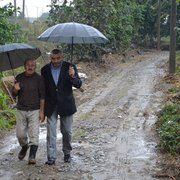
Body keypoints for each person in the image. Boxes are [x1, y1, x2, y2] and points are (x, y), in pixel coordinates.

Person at [41, 49, 82, 165]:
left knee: (67, 131)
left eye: (58, 58)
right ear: (50, 58)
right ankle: (51, 157)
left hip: (66, 104)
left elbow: (78, 84)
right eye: (53, 59)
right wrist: (42, 109)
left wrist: (73, 76)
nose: (55, 61)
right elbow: (43, 89)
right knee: (51, 132)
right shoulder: (44, 70)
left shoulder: (70, 67)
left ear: (62, 57)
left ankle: (67, 153)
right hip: (51, 105)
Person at [12, 59, 45, 165]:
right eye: (28, 65)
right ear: (24, 66)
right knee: (20, 135)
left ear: (35, 67)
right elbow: (14, 94)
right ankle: (24, 146)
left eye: (32, 65)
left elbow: (42, 97)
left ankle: (32, 156)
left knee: (34, 134)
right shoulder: (19, 77)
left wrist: (41, 111)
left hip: (34, 110)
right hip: (21, 109)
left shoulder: (39, 79)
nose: (30, 67)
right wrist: (16, 89)